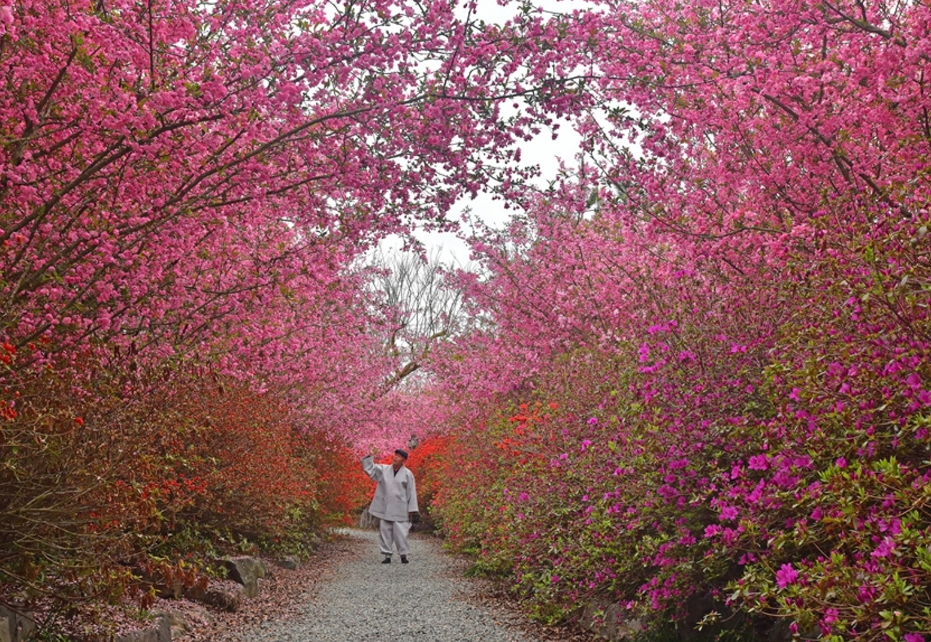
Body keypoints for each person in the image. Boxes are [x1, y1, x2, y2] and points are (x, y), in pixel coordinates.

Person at [361, 448, 419, 564]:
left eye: (399, 456)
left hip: (400, 506)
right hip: (385, 506)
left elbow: (411, 492)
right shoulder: (383, 470)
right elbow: (370, 469)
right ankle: (387, 554)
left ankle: (403, 554)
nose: (395, 457)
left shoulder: (408, 474)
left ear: (403, 460)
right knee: (385, 531)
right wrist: (370, 455)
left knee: (401, 533)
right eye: (395, 455)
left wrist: (412, 509)